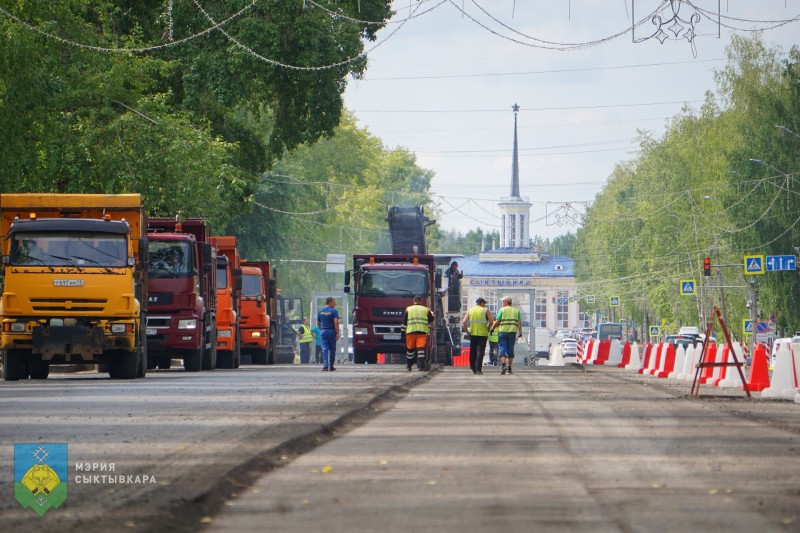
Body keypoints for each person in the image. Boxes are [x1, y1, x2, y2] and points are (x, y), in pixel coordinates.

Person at [401, 295, 434, 371]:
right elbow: (431, 319)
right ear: (421, 301)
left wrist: (402, 333)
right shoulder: (426, 310)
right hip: (422, 332)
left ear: (413, 301)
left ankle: (409, 365)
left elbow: (404, 323)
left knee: (410, 350)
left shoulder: (408, 309)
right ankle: (420, 366)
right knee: (420, 349)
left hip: (411, 332)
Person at [462, 297, 494, 375]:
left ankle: (472, 367)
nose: (485, 305)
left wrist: (467, 331)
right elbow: (491, 321)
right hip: (483, 334)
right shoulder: (485, 310)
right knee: (480, 351)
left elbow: (464, 321)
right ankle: (478, 369)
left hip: (473, 334)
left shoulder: (470, 310)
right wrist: (488, 327)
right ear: (482, 303)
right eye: (484, 303)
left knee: (473, 351)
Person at [491, 296, 522, 375]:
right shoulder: (516, 311)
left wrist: (492, 329)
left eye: (503, 301)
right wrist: (520, 333)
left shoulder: (502, 310)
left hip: (502, 333)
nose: (502, 303)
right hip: (512, 333)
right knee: (510, 350)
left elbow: (497, 322)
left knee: (502, 348)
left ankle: (503, 365)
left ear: (505, 302)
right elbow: (519, 323)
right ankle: (509, 369)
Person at [317, 297, 340, 371]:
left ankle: (325, 366)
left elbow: (318, 322)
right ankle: (331, 366)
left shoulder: (320, 311)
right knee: (332, 349)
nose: (335, 303)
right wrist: (337, 333)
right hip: (331, 331)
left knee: (324, 349)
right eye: (334, 302)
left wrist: (321, 329)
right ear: (330, 302)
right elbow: (336, 322)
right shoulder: (334, 311)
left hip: (323, 331)